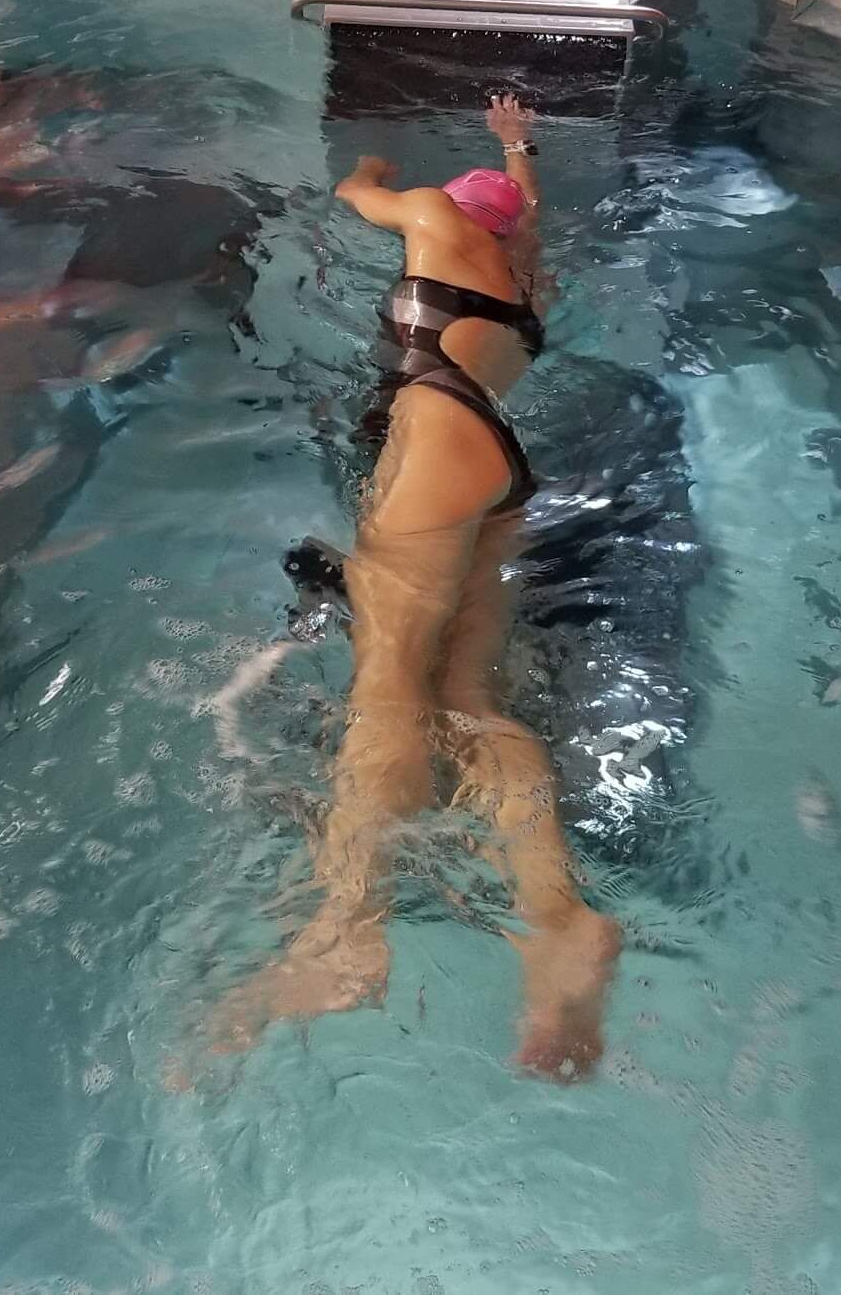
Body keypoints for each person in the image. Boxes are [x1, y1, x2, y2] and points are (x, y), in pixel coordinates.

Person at [218, 96, 622, 1080]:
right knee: (466, 694)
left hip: (435, 429)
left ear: (453, 209)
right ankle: (559, 919)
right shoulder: (526, 276)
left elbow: (362, 199)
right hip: (496, 465)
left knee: (387, 677)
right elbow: (523, 205)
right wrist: (516, 148)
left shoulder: (435, 219)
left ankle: (345, 929)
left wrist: (366, 168)